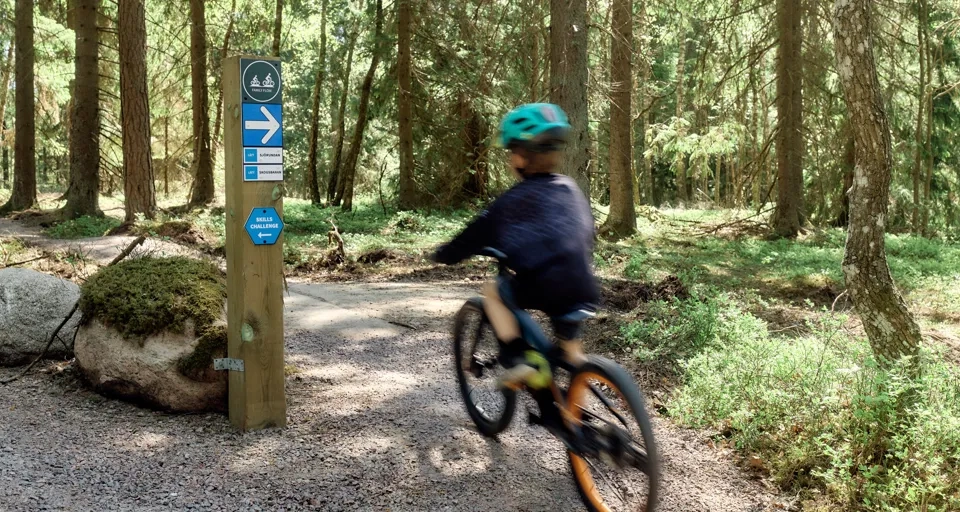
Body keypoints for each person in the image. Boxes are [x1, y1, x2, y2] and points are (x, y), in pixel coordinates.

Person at [431, 103, 600, 391]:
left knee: (493, 291)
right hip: (584, 284)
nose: (511, 159)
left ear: (521, 156)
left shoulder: (510, 201)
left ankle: (519, 354)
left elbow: (473, 236)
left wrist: (445, 254)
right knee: (573, 355)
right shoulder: (570, 188)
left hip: (545, 285)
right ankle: (577, 425)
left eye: (511, 152)